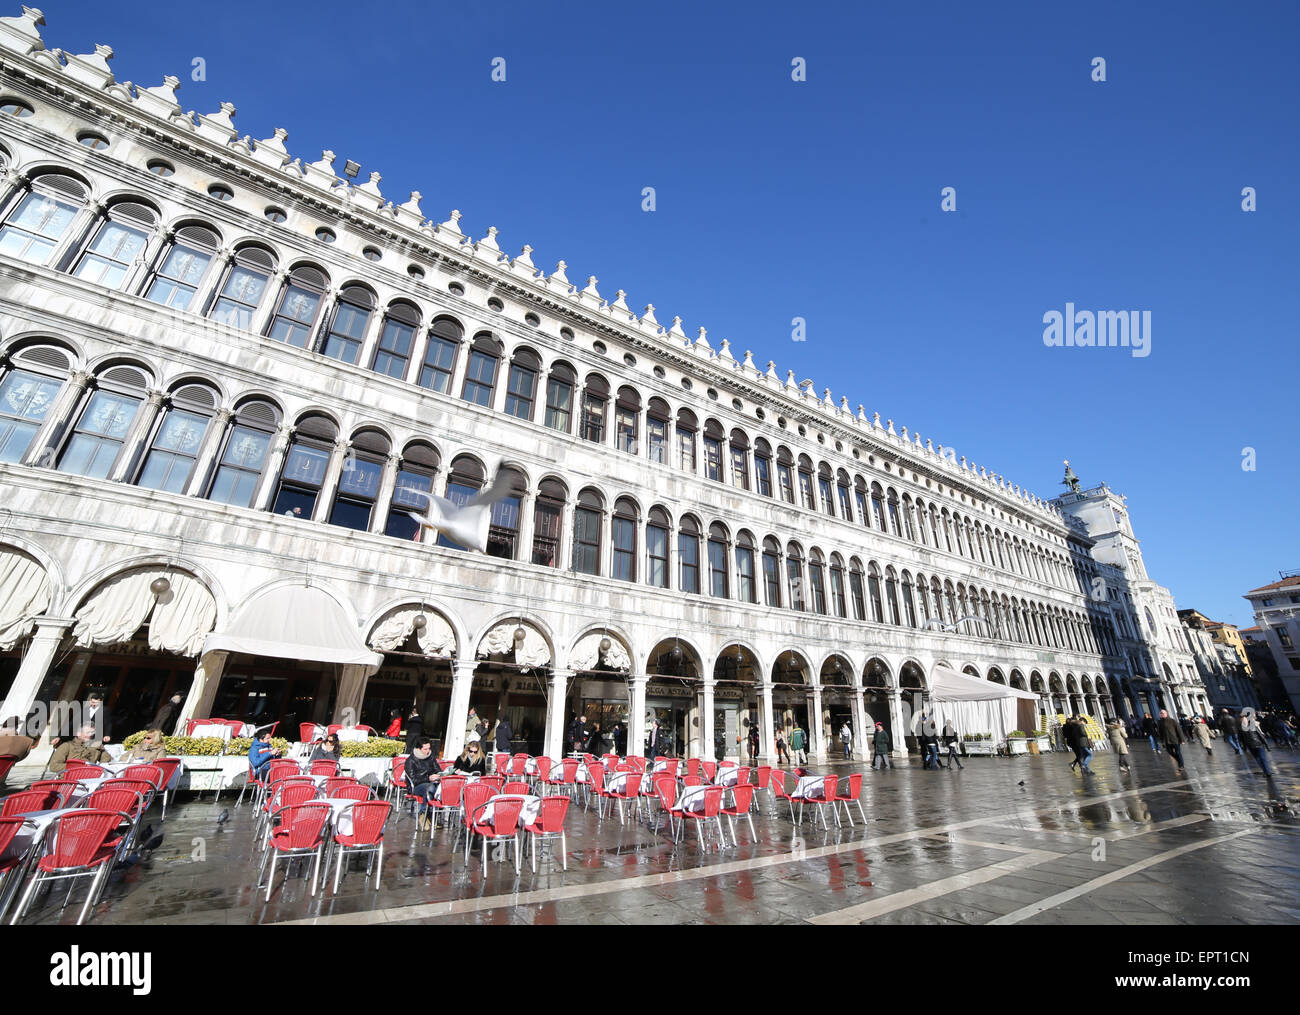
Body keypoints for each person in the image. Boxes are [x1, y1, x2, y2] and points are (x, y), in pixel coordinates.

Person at [404, 737, 441, 828]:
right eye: (425, 749)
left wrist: (439, 775)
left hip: (431, 783)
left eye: (429, 748)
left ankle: (433, 816)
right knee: (430, 788)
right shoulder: (411, 760)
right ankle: (423, 814)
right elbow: (412, 780)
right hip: (415, 786)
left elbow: (438, 770)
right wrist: (428, 778)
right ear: (418, 749)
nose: (428, 751)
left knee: (440, 788)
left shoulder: (431, 757)